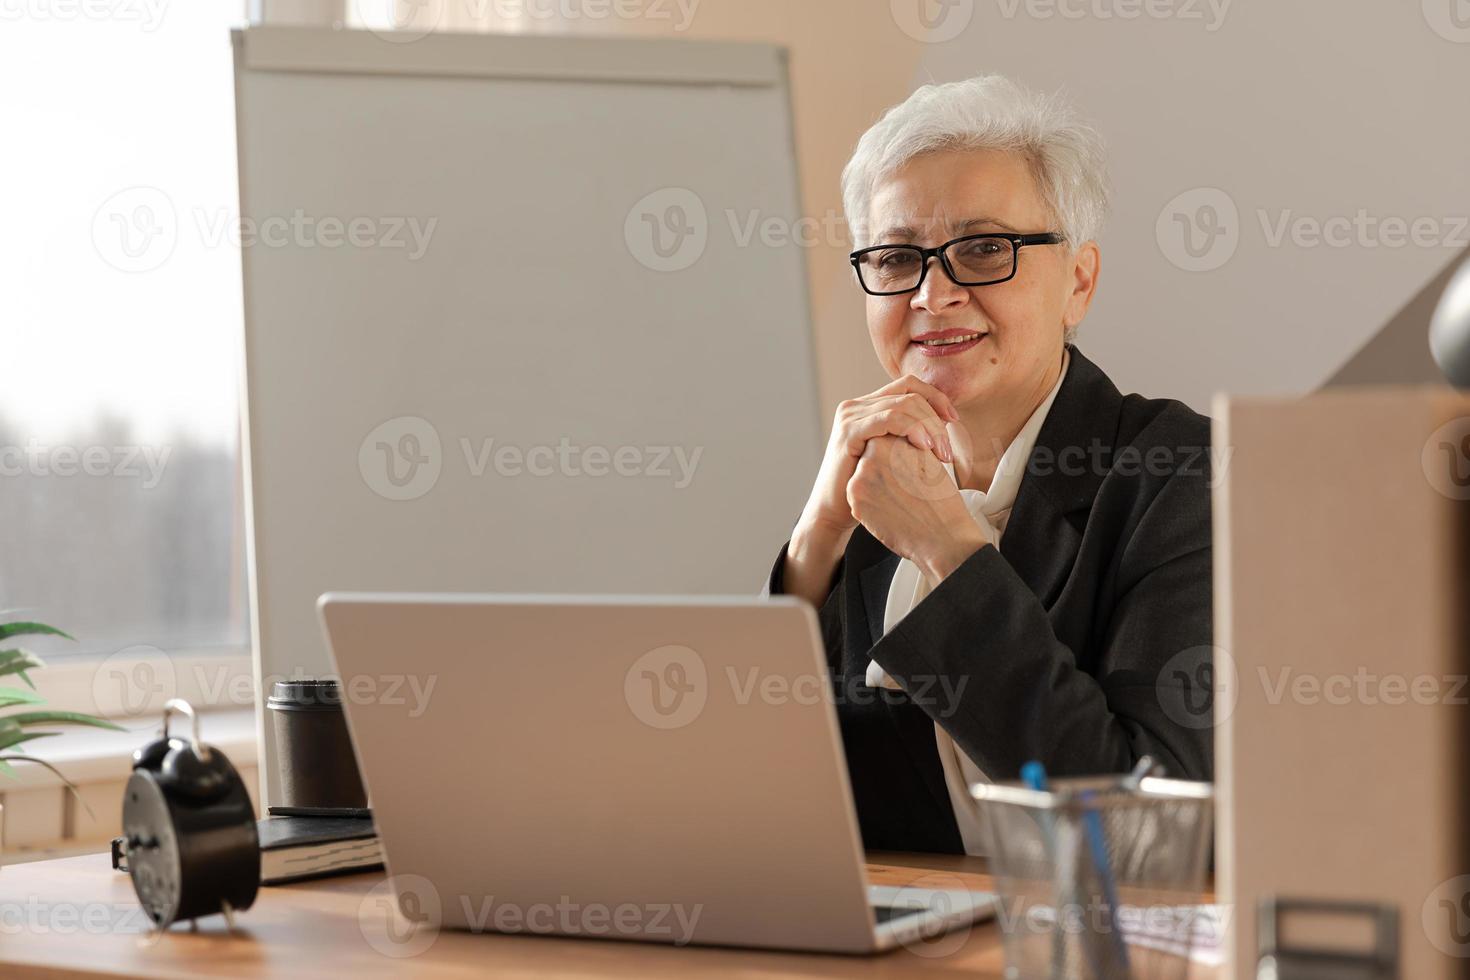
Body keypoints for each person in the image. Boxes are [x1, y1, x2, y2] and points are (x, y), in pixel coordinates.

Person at [762, 75, 1214, 855]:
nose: (933, 294)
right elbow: (772, 803)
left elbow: (1147, 833)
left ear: (1079, 281)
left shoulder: (1179, 475)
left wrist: (949, 549)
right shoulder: (872, 492)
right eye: (899, 258)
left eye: (981, 249)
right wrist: (816, 540)